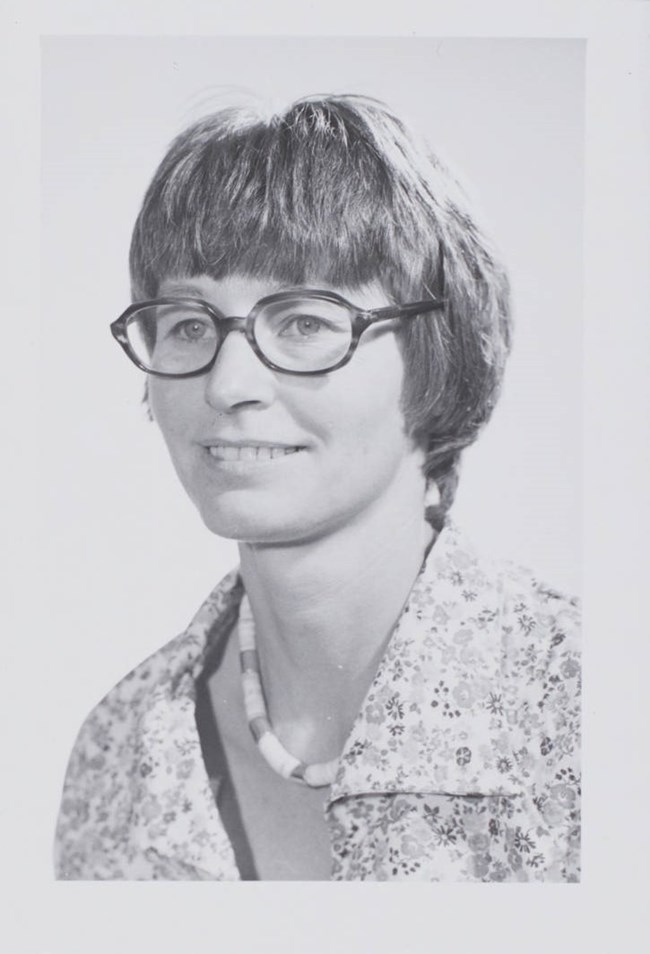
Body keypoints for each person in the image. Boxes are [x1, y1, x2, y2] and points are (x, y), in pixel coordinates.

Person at [54, 94, 580, 881]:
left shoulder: (584, 709)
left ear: (441, 350)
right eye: (190, 323)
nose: (229, 383)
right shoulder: (118, 749)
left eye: (302, 321)